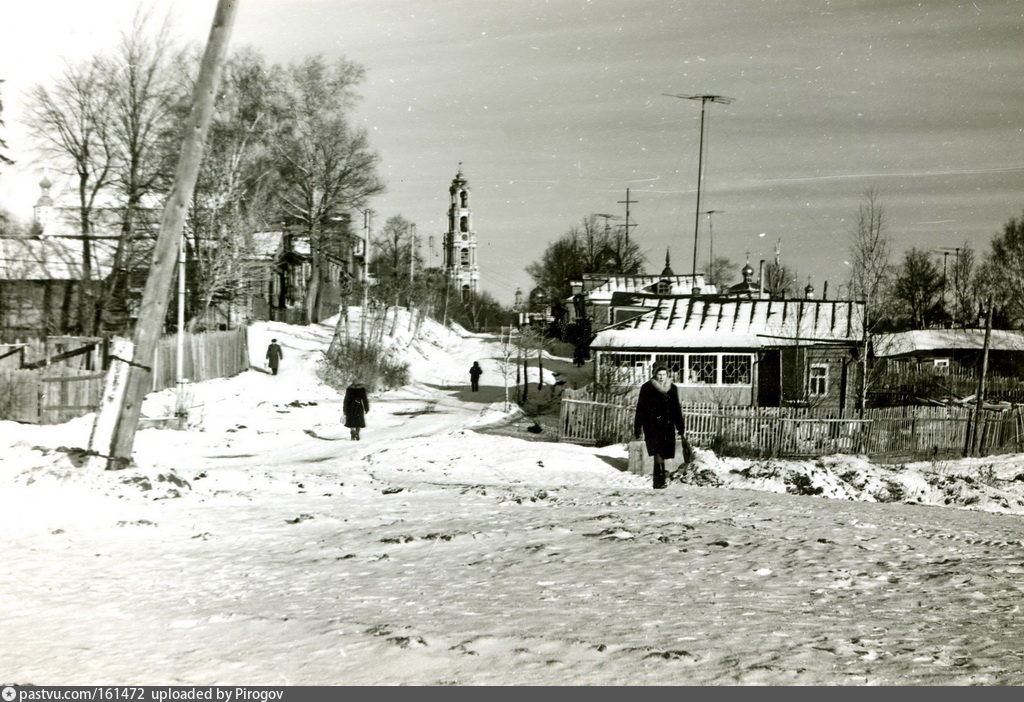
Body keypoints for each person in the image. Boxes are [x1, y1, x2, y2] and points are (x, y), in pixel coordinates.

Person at [633, 365, 686, 489]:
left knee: (663, 451)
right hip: (652, 424)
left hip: (667, 425)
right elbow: (640, 408)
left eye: (664, 374)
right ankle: (659, 480)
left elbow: (676, 408)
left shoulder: (672, 388)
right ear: (654, 374)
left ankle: (659, 479)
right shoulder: (647, 388)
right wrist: (638, 426)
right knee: (657, 450)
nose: (661, 377)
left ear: (667, 375)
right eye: (659, 374)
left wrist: (680, 426)